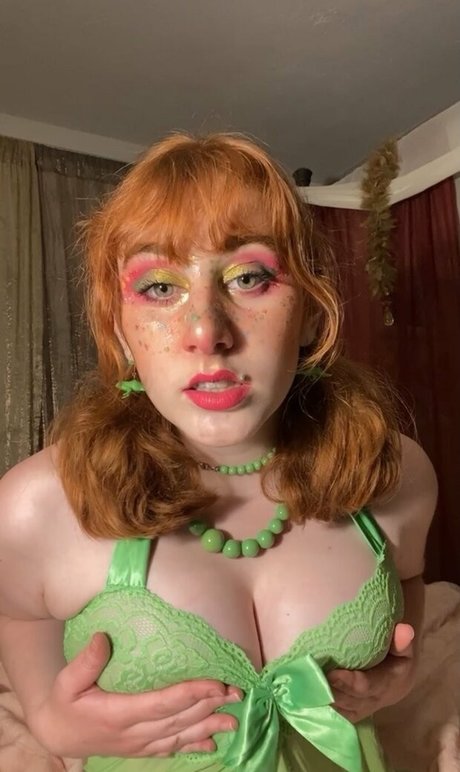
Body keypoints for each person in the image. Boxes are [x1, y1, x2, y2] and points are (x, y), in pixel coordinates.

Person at [0, 133, 437, 771]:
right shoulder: (36, 504)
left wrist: (399, 675)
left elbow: (409, 582)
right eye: (159, 288)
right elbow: (17, 613)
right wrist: (47, 717)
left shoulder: (397, 473)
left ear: (311, 312)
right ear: (119, 325)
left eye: (249, 278)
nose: (206, 332)